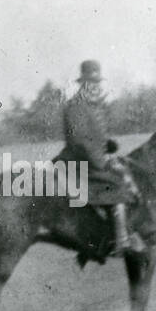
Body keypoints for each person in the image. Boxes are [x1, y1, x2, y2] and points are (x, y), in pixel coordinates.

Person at [57, 59, 144, 256]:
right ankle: (121, 241)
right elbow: (80, 140)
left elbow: (94, 136)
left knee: (126, 172)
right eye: (91, 83)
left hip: (90, 158)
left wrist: (108, 145)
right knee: (116, 184)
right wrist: (102, 161)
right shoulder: (76, 106)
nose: (95, 87)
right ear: (82, 84)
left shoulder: (91, 105)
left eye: (97, 83)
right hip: (78, 162)